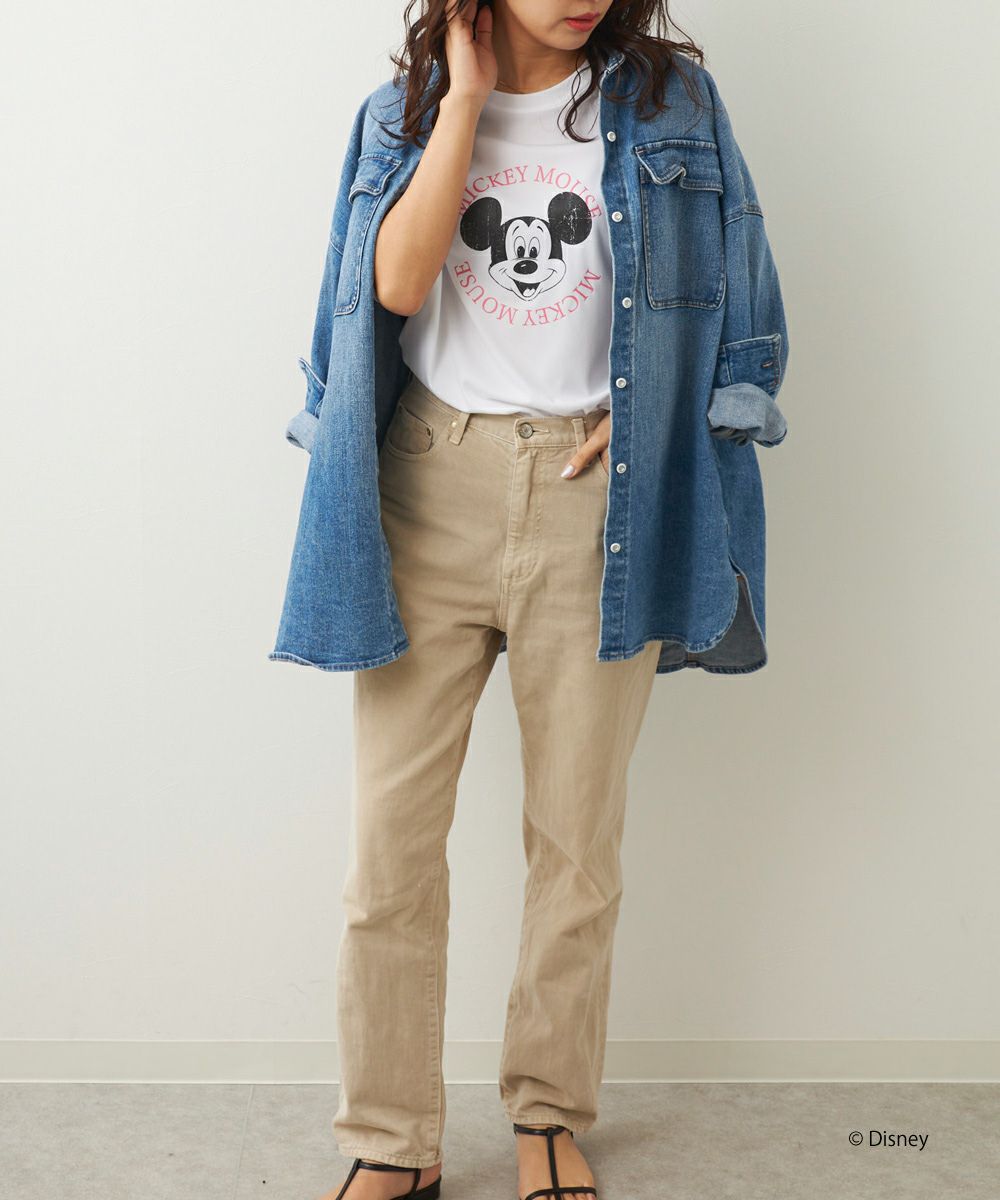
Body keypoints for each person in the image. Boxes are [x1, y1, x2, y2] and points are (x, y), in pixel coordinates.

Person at [269, 3, 791, 1198]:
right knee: (389, 851)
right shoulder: (400, 116)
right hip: (426, 488)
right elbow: (395, 287)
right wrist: (461, 104)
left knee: (575, 842)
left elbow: (739, 284)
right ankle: (390, 1139)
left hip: (595, 494)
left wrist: (654, 406)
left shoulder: (672, 108)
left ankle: (548, 1115)